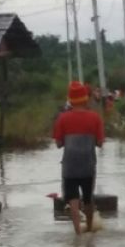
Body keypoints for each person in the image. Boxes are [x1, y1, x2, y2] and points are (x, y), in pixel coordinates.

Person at [53, 81, 105, 235]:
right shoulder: (95, 118)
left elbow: (58, 144)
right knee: (88, 199)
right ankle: (89, 229)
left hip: (69, 166)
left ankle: (78, 232)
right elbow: (100, 143)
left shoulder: (62, 119)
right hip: (88, 165)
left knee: (73, 201)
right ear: (85, 98)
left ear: (70, 99)